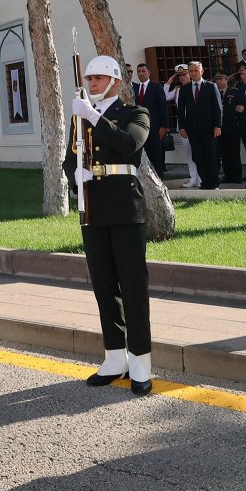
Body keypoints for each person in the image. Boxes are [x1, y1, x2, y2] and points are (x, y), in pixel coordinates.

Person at [65, 55, 153, 394]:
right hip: (93, 207)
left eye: (100, 78)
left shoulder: (135, 113)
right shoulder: (80, 118)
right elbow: (69, 158)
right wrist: (74, 174)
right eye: (90, 78)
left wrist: (92, 116)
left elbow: (129, 143)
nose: (93, 83)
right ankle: (115, 356)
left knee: (132, 285)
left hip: (125, 206)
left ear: (116, 81)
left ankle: (141, 361)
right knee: (104, 285)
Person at [177, 59, 222, 189]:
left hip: (209, 128)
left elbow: (218, 108)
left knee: (211, 155)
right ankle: (205, 182)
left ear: (201, 71)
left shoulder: (211, 86)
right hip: (192, 129)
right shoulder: (184, 89)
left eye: (196, 70)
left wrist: (217, 126)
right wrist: (182, 128)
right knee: (197, 156)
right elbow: (180, 111)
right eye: (190, 71)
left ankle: (213, 183)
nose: (193, 73)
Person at [131, 63, 168, 175]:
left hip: (155, 128)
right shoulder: (134, 88)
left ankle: (159, 178)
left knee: (156, 155)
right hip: (139, 129)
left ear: (149, 72)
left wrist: (164, 126)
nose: (141, 73)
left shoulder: (156, 87)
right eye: (139, 71)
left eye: (143, 71)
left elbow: (163, 107)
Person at [164, 64, 197, 186]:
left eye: (184, 75)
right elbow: (165, 97)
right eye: (180, 76)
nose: (182, 77)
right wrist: (168, 83)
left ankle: (201, 177)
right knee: (188, 153)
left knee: (198, 152)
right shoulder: (178, 89)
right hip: (183, 124)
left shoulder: (195, 87)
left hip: (195, 124)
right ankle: (193, 178)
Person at [218, 71, 242, 184]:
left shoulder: (234, 92)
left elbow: (240, 105)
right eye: (217, 79)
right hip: (220, 127)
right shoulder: (215, 92)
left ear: (226, 80)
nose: (219, 81)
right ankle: (227, 175)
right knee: (224, 153)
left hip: (233, 126)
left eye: (221, 79)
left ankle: (237, 176)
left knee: (234, 153)